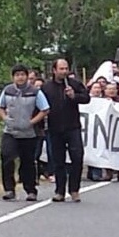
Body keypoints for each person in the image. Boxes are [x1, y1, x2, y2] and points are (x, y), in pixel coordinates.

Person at [0, 64, 50, 201]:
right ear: (13, 77)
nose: (20, 77)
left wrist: (32, 122)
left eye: (22, 75)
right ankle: (9, 189)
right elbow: (0, 107)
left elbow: (45, 109)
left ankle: (30, 189)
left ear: (27, 76)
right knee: (6, 157)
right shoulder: (7, 90)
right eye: (17, 75)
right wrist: (5, 118)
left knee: (27, 162)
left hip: (28, 133)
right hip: (10, 131)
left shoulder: (35, 92)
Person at [41, 59, 91, 203]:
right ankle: (60, 191)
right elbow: (41, 106)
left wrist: (74, 96)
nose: (64, 71)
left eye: (66, 69)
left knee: (77, 157)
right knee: (58, 161)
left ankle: (74, 189)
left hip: (72, 127)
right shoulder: (46, 87)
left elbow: (86, 98)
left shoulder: (74, 84)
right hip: (54, 128)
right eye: (61, 69)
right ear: (54, 70)